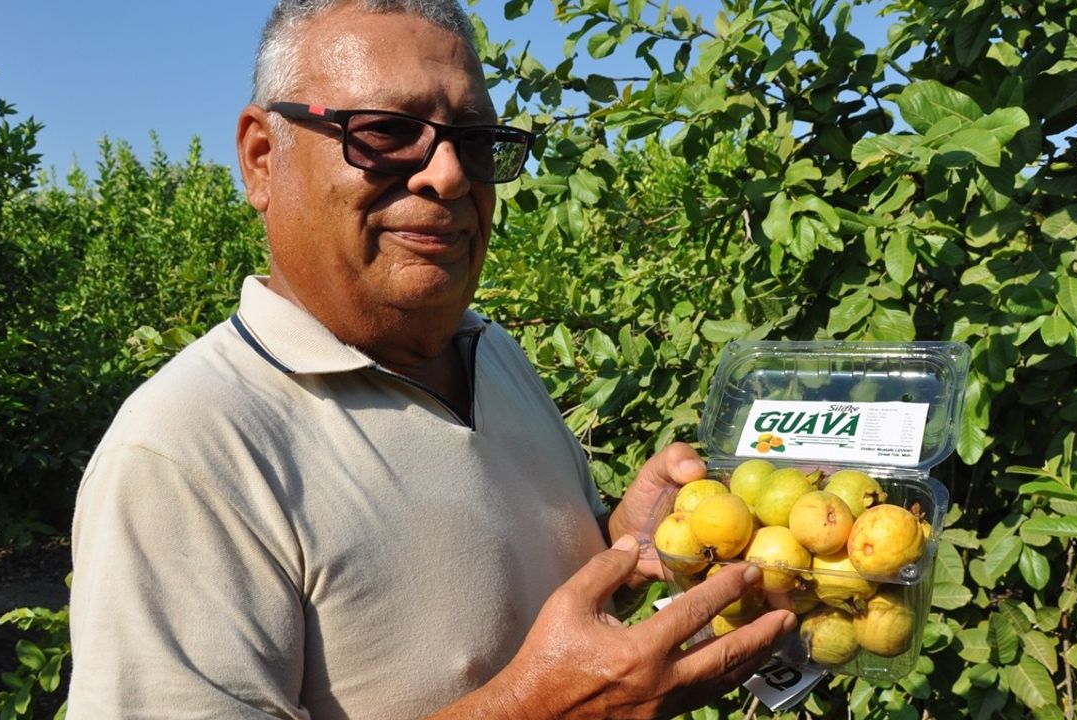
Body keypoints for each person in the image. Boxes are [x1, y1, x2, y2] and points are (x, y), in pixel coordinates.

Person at [66, 1, 797, 718]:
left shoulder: (493, 353)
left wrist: (625, 550)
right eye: (385, 131)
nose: (449, 176)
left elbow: (526, 624)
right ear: (263, 160)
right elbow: (546, 690)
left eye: (475, 140)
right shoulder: (186, 452)